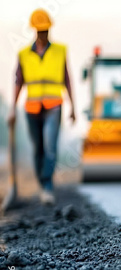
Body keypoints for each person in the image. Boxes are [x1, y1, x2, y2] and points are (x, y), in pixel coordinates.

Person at [7, 9, 76, 205]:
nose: (42, 33)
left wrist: (73, 107)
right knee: (38, 149)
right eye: (39, 30)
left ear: (49, 29)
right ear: (34, 31)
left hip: (54, 106)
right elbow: (18, 81)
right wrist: (12, 108)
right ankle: (41, 182)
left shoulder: (60, 50)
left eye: (45, 30)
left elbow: (67, 79)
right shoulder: (24, 54)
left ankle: (47, 187)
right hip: (32, 109)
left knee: (50, 147)